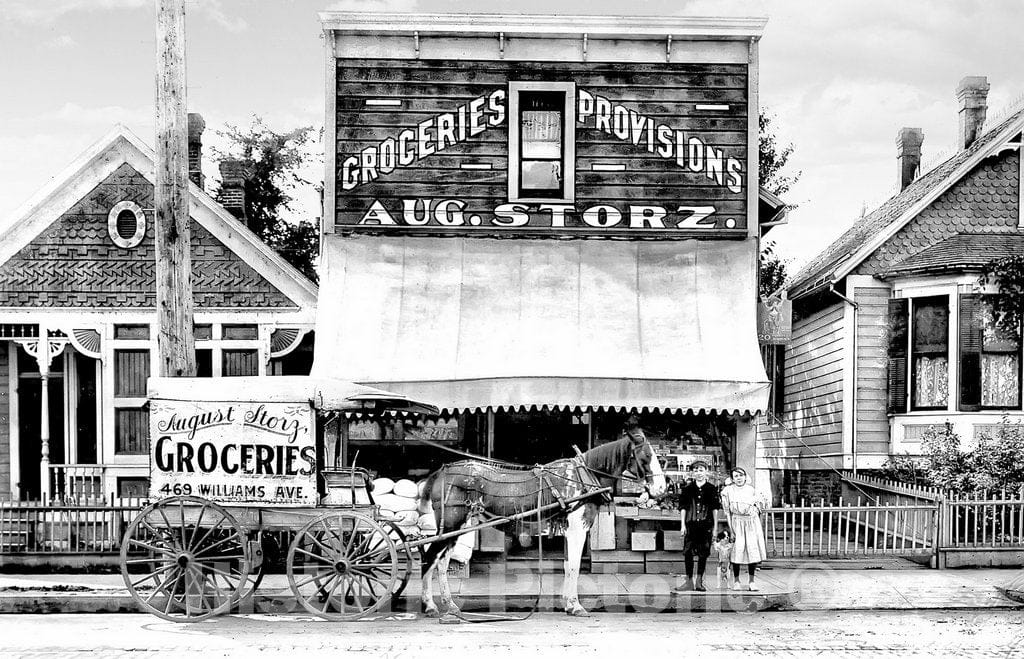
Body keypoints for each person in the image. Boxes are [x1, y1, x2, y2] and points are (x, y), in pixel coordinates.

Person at [673, 460, 719, 592]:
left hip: (706, 526)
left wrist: (715, 527)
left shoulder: (711, 489)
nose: (699, 473)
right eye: (696, 470)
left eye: (701, 470)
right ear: (692, 473)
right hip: (690, 525)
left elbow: (715, 508)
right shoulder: (688, 489)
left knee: (703, 554)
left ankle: (699, 582)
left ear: (706, 472)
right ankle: (688, 582)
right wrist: (682, 525)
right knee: (688, 553)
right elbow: (683, 508)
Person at [720, 467, 768, 591]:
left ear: (745, 477)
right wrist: (732, 530)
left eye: (741, 475)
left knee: (752, 551)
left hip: (751, 524)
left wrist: (756, 510)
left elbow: (759, 507)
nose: (739, 478)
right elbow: (728, 513)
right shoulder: (728, 491)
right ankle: (736, 581)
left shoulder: (751, 490)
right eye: (736, 476)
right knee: (737, 551)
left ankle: (752, 581)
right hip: (737, 523)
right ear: (732, 479)